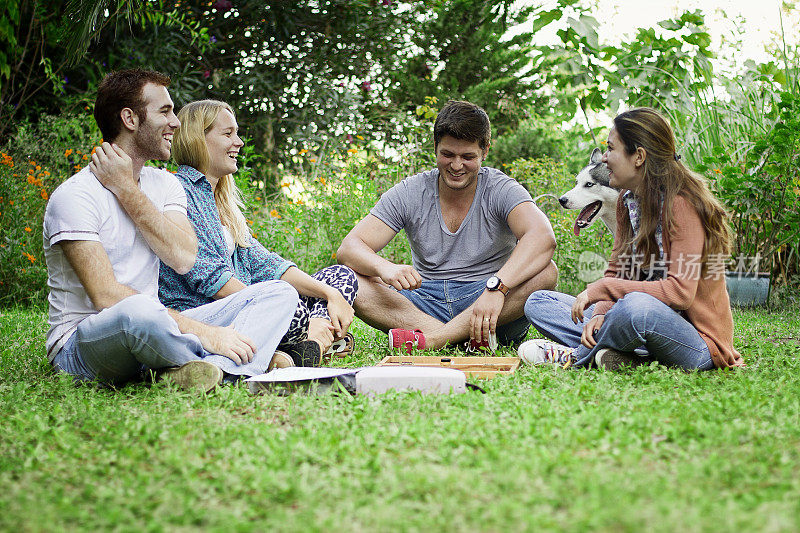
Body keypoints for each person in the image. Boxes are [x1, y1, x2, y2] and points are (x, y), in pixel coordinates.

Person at [44, 69, 300, 391]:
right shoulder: (74, 196)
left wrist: (127, 189)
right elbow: (106, 296)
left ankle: (216, 372)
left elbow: (183, 257)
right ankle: (229, 359)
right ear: (130, 119)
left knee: (279, 293)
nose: (176, 122)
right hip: (85, 345)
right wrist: (209, 333)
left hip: (161, 327)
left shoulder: (165, 185)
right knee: (138, 312)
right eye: (164, 111)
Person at [521, 107, 744, 371]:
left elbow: (680, 294)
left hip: (698, 344)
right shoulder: (627, 200)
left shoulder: (682, 204)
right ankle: (624, 354)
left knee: (635, 307)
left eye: (611, 149)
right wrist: (602, 312)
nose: (604, 158)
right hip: (640, 324)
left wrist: (602, 290)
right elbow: (617, 271)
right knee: (539, 302)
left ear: (638, 156)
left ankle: (575, 357)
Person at [336, 100, 557, 352]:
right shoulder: (411, 191)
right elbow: (349, 248)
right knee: (348, 278)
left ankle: (434, 339)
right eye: (448, 154)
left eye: (468, 156)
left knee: (546, 272)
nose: (456, 166)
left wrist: (498, 288)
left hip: (487, 303)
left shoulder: (501, 188)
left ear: (485, 151)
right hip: (421, 301)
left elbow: (542, 238)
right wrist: (384, 267)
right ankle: (460, 338)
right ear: (435, 148)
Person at [158, 99, 357, 366]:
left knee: (340, 277)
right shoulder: (181, 192)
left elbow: (267, 264)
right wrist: (269, 303)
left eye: (236, 133)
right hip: (205, 315)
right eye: (228, 134)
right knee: (292, 307)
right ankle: (312, 344)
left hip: (245, 303)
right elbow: (211, 280)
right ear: (198, 140)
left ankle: (308, 344)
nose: (238, 142)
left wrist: (330, 296)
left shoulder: (222, 201)